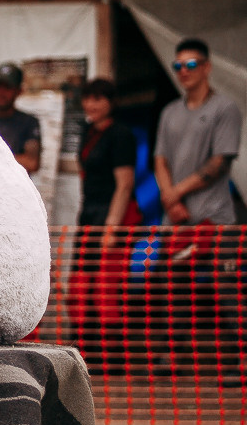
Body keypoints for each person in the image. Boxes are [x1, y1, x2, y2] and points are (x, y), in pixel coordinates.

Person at [69, 78, 138, 373]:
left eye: (98, 98)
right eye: (88, 98)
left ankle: (113, 357)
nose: (91, 104)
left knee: (107, 289)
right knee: (81, 284)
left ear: (111, 102)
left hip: (111, 216)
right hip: (89, 214)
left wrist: (112, 226)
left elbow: (125, 185)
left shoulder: (121, 134)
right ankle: (87, 351)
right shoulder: (88, 131)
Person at [154, 38, 242, 227]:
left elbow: (219, 163)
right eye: (178, 66)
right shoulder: (169, 112)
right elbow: (160, 160)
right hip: (174, 219)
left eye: (191, 65)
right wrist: (171, 200)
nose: (183, 71)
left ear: (206, 67)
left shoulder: (225, 108)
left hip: (212, 218)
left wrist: (176, 192)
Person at [0, 62, 41, 174]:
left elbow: (32, 163)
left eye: (7, 87)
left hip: (13, 185)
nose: (1, 92)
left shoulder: (29, 123)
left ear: (19, 91)